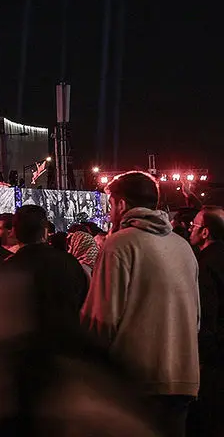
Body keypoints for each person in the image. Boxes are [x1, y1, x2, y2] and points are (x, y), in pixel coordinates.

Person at [83, 171, 200, 437]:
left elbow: (101, 319)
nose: (110, 212)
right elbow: (196, 319)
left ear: (121, 204)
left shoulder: (120, 244)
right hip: (182, 377)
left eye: (110, 204)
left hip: (134, 382)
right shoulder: (182, 246)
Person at [6, 204, 89, 335]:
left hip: (24, 347)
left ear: (14, 232)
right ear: (45, 231)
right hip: (66, 344)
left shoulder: (7, 268)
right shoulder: (69, 263)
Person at [191, 206, 224, 435]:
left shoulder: (205, 264)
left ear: (205, 232)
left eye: (194, 225)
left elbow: (206, 312)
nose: (190, 229)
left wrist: (203, 352)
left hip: (214, 355)